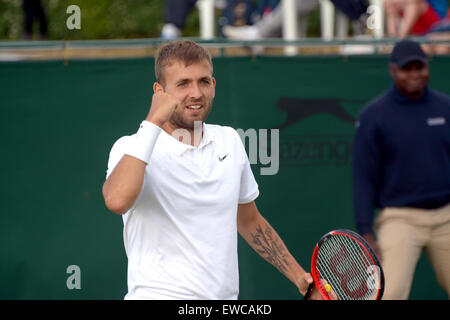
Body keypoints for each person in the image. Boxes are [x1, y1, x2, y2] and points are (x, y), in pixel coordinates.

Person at [102, 39, 322, 300]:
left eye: (204, 81)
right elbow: (117, 200)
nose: (196, 93)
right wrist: (152, 121)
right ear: (159, 92)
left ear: (213, 86)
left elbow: (249, 220)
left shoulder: (229, 140)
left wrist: (301, 279)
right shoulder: (130, 146)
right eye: (183, 83)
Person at [352, 39, 450, 299]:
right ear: (393, 70)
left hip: (446, 216)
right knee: (387, 293)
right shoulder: (374, 116)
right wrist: (366, 231)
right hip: (399, 217)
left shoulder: (445, 108)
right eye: (408, 68)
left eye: (420, 67)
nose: (415, 74)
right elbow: (363, 177)